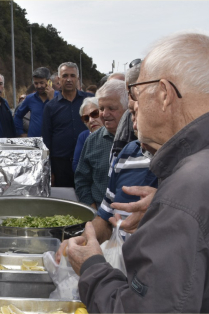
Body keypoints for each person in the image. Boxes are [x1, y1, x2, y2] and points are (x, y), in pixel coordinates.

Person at [60, 32, 209, 312]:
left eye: (136, 94)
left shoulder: (189, 189)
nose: (133, 108)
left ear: (164, 93)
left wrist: (92, 267)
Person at [91, 63, 158, 243]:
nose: (133, 125)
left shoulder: (190, 161)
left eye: (137, 113)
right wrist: (84, 243)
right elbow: (105, 217)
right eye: (131, 114)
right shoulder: (127, 153)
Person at [74, 79, 127, 209]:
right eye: (102, 108)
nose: (105, 114)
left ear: (127, 107)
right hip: (101, 217)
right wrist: (93, 210)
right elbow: (81, 180)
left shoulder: (142, 138)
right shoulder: (92, 141)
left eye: (111, 108)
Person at [42, 62, 92, 187]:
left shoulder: (89, 101)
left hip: (88, 161)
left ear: (78, 79)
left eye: (72, 76)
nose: (69, 79)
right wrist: (50, 171)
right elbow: (46, 140)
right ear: (59, 79)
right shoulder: (50, 106)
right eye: (65, 76)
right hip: (61, 166)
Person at [14, 67, 56, 137]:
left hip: (53, 141)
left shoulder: (58, 97)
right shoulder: (30, 99)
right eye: (36, 83)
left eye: (42, 83)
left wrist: (52, 99)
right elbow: (18, 116)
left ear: (49, 82)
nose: (39, 86)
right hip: (34, 142)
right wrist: (21, 133)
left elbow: (61, 118)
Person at [71, 97, 102, 172]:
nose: (91, 120)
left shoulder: (114, 133)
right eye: (86, 118)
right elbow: (76, 166)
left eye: (94, 114)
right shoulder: (83, 137)